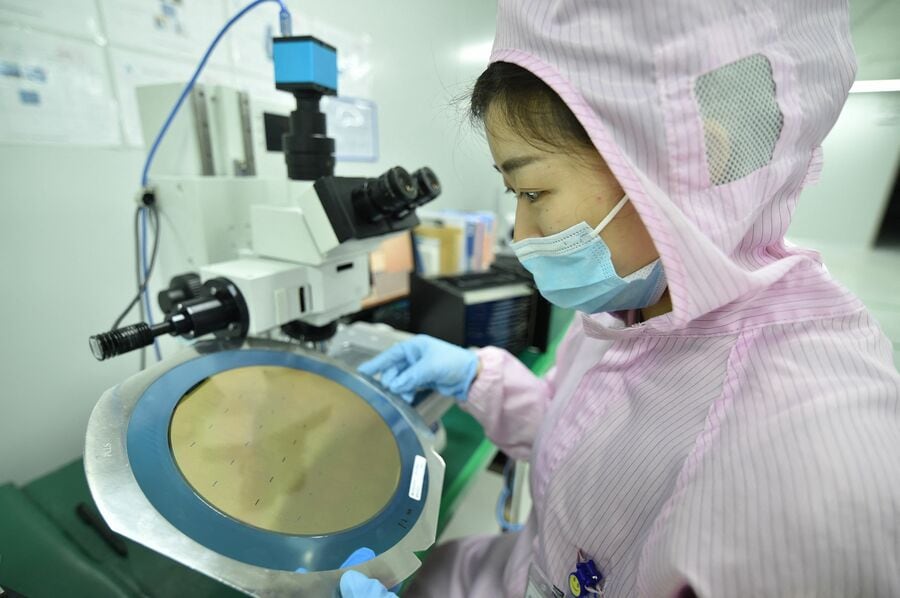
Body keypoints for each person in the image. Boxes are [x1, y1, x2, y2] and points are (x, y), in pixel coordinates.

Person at [340, 0, 900, 596]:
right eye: (512, 193)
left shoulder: (820, 459)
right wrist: (478, 378)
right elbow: (580, 442)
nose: (520, 235)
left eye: (533, 191)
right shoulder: (637, 303)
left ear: (689, 159)